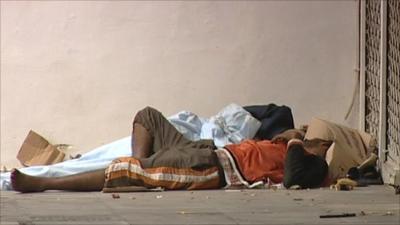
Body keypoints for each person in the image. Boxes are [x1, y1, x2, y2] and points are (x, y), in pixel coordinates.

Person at [11, 107, 329, 193]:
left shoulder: (312, 163)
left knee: (126, 171)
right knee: (147, 116)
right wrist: (288, 138)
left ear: (321, 146)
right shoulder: (282, 143)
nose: (301, 132)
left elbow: (292, 178)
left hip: (210, 167)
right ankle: (140, 164)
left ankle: (41, 183)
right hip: (206, 150)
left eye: (308, 135)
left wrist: (295, 141)